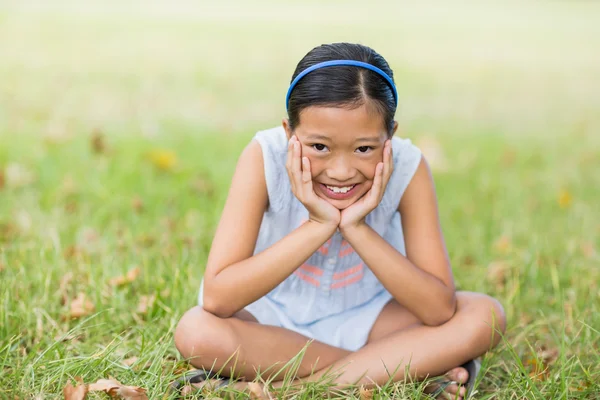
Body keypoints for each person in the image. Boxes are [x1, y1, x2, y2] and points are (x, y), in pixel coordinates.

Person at [172, 42, 506, 399]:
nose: (342, 172)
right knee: (197, 331)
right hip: (269, 322)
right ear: (289, 133)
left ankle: (297, 390)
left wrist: (357, 227)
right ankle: (398, 371)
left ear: (390, 135)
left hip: (371, 319)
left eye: (364, 149)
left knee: (485, 314)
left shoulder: (409, 166)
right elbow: (219, 299)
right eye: (319, 147)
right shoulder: (264, 156)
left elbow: (439, 308)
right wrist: (318, 224)